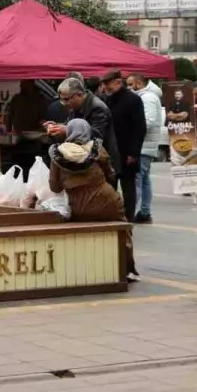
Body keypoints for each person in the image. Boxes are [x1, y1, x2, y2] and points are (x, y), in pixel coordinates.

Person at [48, 118, 136, 280]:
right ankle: (126, 269)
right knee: (123, 231)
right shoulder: (97, 149)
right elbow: (110, 174)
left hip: (80, 205)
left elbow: (55, 187)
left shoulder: (57, 155)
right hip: (108, 200)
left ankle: (88, 270)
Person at [48, 77, 119, 174]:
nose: (64, 103)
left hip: (100, 163)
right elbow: (71, 125)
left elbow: (97, 135)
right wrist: (56, 127)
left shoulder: (98, 107)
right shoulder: (76, 106)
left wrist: (67, 130)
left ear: (79, 95)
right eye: (61, 100)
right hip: (85, 160)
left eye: (66, 99)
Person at [100, 69, 145, 222]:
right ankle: (113, 215)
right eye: (104, 84)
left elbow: (140, 128)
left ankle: (128, 218)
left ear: (118, 82)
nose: (106, 88)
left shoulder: (133, 100)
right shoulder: (107, 100)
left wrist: (134, 153)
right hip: (110, 151)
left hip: (126, 151)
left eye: (108, 84)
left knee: (128, 188)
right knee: (110, 187)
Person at [130, 73, 164, 224]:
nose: (128, 87)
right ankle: (145, 211)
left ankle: (130, 213)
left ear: (138, 83)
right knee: (144, 180)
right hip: (146, 145)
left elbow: (148, 121)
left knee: (137, 180)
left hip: (143, 145)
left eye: (131, 84)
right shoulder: (147, 96)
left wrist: (129, 128)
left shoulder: (148, 98)